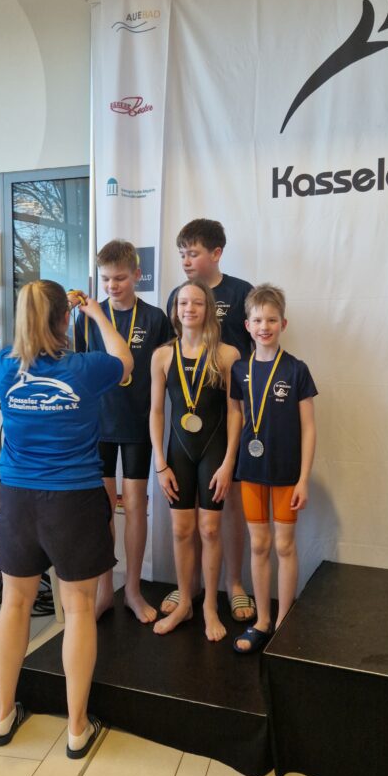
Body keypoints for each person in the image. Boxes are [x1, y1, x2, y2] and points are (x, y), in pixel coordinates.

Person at [0, 280, 133, 757]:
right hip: (73, 501)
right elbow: (124, 359)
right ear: (62, 318)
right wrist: (97, 314)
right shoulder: (85, 368)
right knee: (77, 610)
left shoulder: (5, 365)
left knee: (14, 604)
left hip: (17, 500)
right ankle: (76, 729)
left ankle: (2, 716)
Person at [73, 240, 171, 622]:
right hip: (97, 425)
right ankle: (104, 591)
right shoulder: (88, 317)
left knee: (134, 506)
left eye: (120, 278)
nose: (112, 285)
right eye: (106, 279)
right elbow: (78, 370)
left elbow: (164, 374)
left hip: (137, 424)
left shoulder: (155, 318)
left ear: (137, 275)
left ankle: (132, 589)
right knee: (102, 510)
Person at [165, 218, 255, 623]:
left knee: (227, 505)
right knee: (190, 518)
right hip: (190, 415)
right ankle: (189, 587)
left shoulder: (240, 292)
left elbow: (256, 352)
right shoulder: (178, 295)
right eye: (182, 254)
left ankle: (233, 583)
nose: (186, 261)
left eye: (193, 253)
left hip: (230, 414)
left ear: (216, 254)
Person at [150, 280, 241, 641]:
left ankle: (210, 607)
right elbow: (157, 412)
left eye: (197, 303)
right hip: (178, 454)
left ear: (209, 309)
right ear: (175, 310)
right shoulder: (162, 356)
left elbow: (235, 412)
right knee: (181, 530)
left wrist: (229, 461)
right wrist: (160, 463)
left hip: (214, 452)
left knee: (210, 530)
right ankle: (185, 601)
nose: (190, 308)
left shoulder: (227, 355)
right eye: (183, 303)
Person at [229, 284, 317, 654]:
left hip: (285, 473)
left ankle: (283, 620)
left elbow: (309, 428)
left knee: (284, 545)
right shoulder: (239, 369)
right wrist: (229, 463)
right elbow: (235, 417)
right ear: (247, 325)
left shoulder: (297, 370)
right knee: (260, 544)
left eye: (271, 320)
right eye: (258, 320)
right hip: (251, 471)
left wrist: (303, 479)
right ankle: (262, 620)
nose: (264, 326)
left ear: (283, 323)